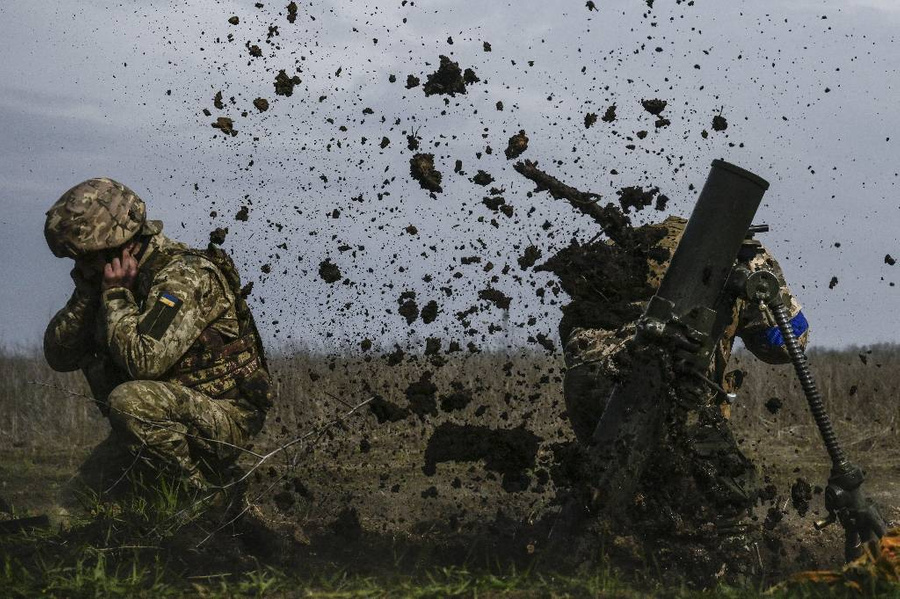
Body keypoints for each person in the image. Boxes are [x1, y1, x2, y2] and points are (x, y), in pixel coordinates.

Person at [43, 177, 272, 496]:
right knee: (71, 505)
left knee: (130, 403)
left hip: (223, 417)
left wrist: (117, 295)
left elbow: (144, 361)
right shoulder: (107, 278)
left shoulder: (183, 275)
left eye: (88, 256)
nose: (82, 266)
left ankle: (203, 501)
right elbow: (59, 355)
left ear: (123, 243)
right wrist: (86, 294)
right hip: (163, 419)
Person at [561, 215, 809, 446]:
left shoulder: (625, 246)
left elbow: (573, 319)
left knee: (598, 477)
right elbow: (786, 345)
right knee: (724, 486)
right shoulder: (740, 255)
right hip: (674, 392)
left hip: (587, 383)